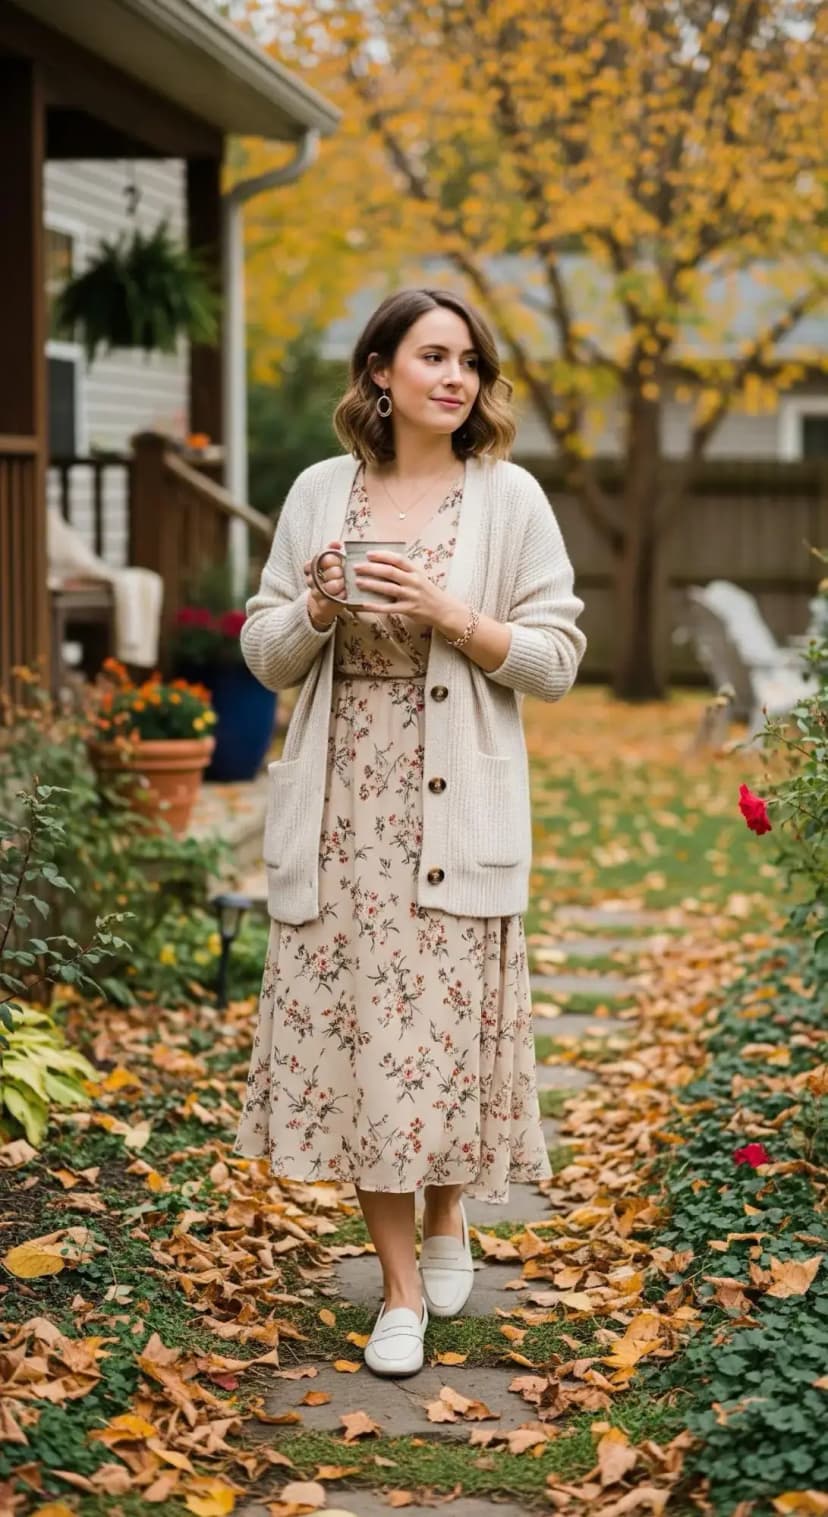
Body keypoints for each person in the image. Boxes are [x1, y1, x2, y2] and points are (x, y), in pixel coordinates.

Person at [233, 287, 586, 1378]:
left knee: (440, 1035)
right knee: (366, 1042)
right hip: (343, 814)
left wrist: (450, 616)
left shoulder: (509, 498)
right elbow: (264, 651)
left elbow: (556, 660)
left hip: (456, 807)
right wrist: (316, 610)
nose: (456, 378)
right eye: (433, 356)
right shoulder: (318, 492)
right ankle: (396, 1291)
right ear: (380, 370)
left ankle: (446, 1212)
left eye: (469, 361)